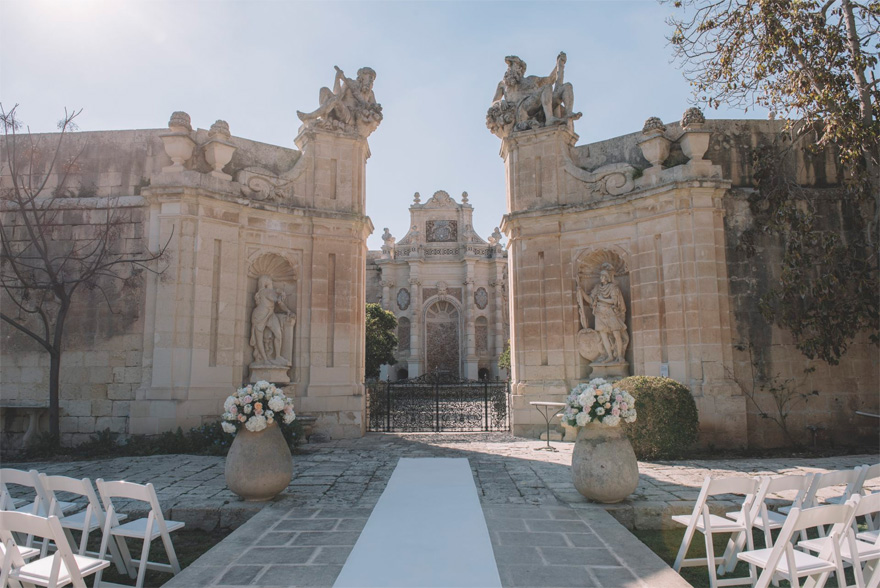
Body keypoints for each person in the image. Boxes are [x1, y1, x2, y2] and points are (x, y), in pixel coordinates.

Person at [490, 52, 580, 130]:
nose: (510, 69)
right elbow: (493, 102)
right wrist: (500, 102)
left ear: (521, 69)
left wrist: (560, 64)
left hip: (541, 105)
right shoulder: (503, 84)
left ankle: (568, 113)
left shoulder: (531, 79)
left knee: (567, 86)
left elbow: (550, 79)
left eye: (513, 66)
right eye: (510, 67)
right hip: (522, 109)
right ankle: (549, 119)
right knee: (546, 87)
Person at [297, 66, 380, 131]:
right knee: (324, 90)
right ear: (361, 77)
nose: (370, 83)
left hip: (351, 119)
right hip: (342, 110)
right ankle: (325, 119)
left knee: (335, 101)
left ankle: (310, 116)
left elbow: (375, 110)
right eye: (369, 79)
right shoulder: (350, 83)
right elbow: (338, 95)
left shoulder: (370, 94)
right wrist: (337, 79)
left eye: (372, 81)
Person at [583, 267, 627, 363]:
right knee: (603, 335)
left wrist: (601, 299)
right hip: (599, 313)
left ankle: (620, 356)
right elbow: (590, 300)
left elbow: (614, 301)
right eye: (601, 275)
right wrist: (581, 292)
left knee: (617, 334)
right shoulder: (597, 288)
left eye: (603, 275)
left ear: (607, 277)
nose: (601, 277)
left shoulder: (613, 288)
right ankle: (610, 356)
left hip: (610, 313)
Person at [250, 275, 295, 365]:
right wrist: (281, 294)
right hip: (259, 316)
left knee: (278, 333)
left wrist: (287, 310)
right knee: (259, 338)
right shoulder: (265, 292)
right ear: (266, 283)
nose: (272, 283)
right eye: (270, 281)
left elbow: (279, 301)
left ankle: (277, 356)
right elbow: (278, 301)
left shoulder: (267, 292)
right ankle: (265, 360)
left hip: (270, 314)